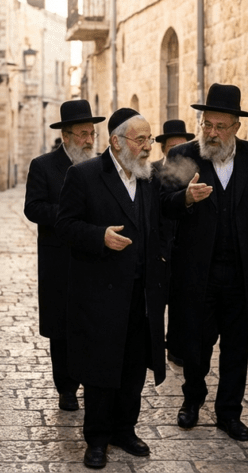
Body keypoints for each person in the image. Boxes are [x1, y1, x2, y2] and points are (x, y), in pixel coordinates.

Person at [160, 83, 248, 442]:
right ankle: (192, 400)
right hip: (198, 272)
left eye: (220, 126)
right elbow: (161, 204)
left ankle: (229, 412)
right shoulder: (182, 155)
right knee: (196, 343)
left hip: (245, 272)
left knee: (237, 347)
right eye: (207, 125)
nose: (212, 133)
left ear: (236, 127)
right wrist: (185, 198)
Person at [55, 108, 173, 469]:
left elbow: (158, 220)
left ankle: (125, 430)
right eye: (141, 140)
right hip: (100, 294)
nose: (148, 146)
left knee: (134, 367)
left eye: (149, 139)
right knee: (101, 368)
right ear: (116, 142)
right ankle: (97, 439)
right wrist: (99, 236)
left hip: (141, 294)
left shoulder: (148, 178)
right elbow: (65, 226)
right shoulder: (84, 175)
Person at [24, 99, 105, 411]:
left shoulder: (99, 166)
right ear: (66, 136)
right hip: (59, 261)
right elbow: (33, 208)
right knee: (61, 328)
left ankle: (91, 380)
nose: (88, 140)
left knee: (91, 324)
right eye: (83, 134)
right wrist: (70, 214)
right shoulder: (43, 166)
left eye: (92, 133)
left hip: (93, 259)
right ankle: (66, 388)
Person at [153, 119, 195, 367]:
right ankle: (155, 348)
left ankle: (177, 349)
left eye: (182, 147)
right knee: (157, 301)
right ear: (163, 148)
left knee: (182, 302)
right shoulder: (151, 172)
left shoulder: (194, 171)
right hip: (160, 246)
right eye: (172, 148)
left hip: (183, 248)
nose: (177, 152)